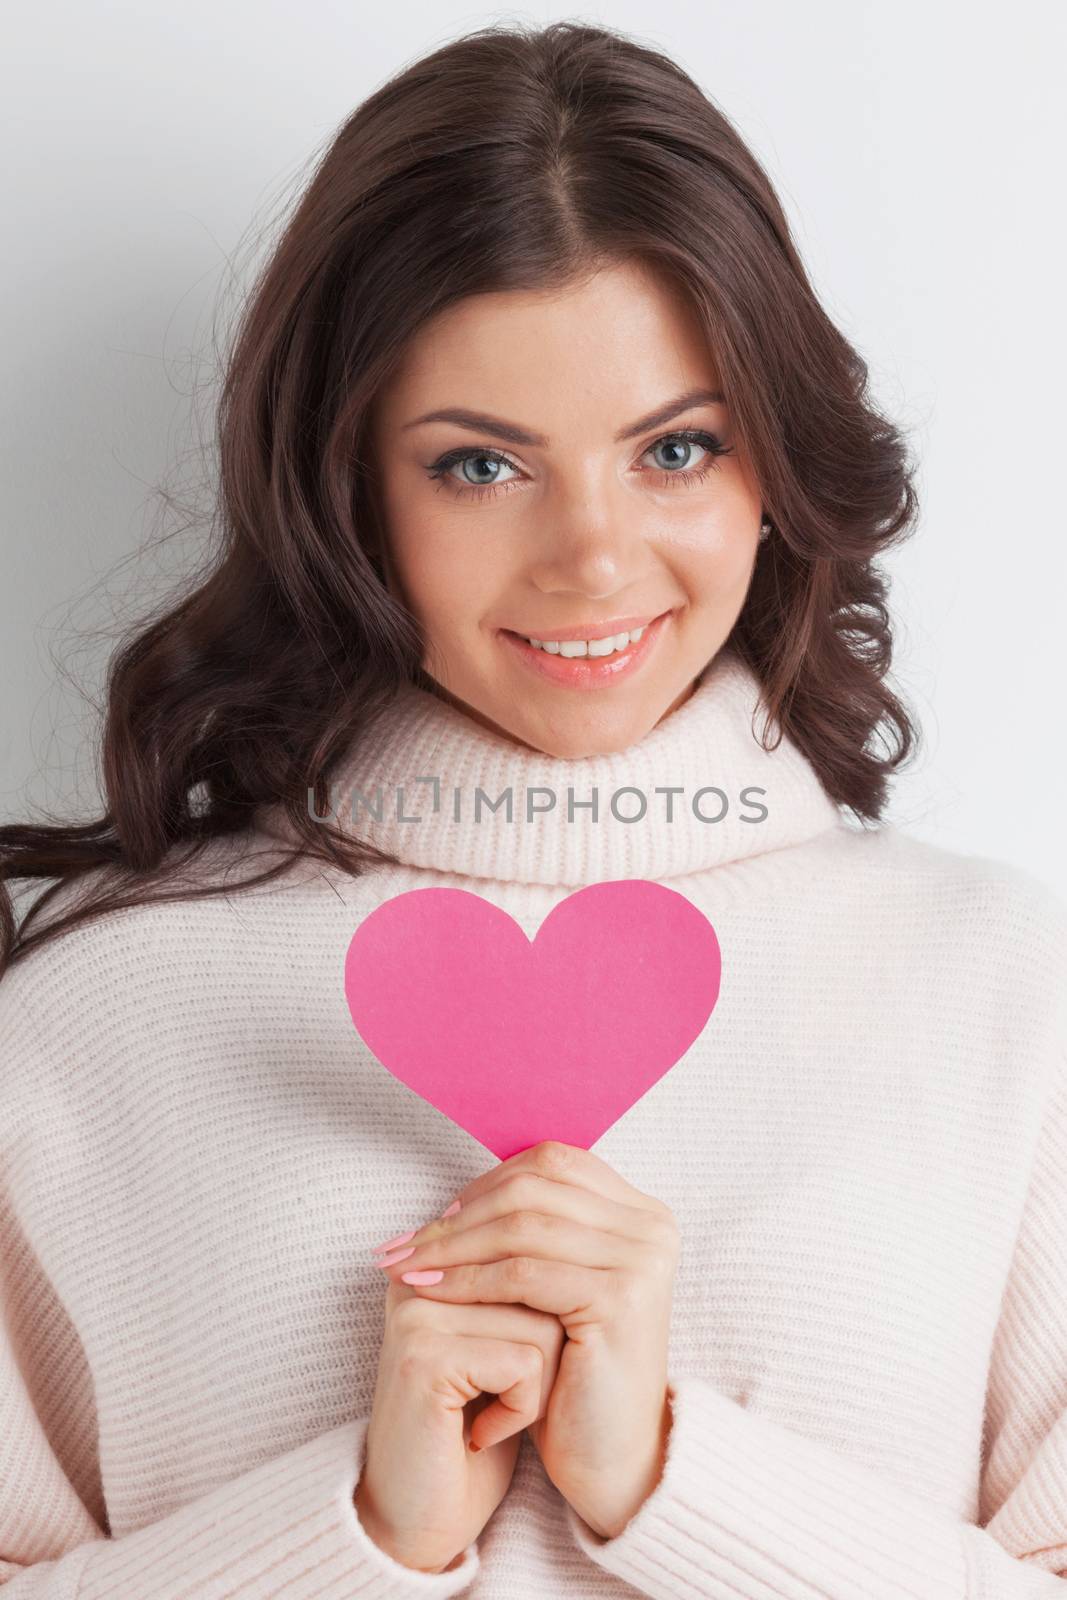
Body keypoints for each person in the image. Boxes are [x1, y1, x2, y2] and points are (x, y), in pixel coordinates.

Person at [1, 18, 1065, 1598]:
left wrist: (674, 1483)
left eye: (677, 449)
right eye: (482, 468)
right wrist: (366, 1531)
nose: (594, 559)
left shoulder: (1010, 993)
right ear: (346, 487)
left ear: (775, 467)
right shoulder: (87, 1016)